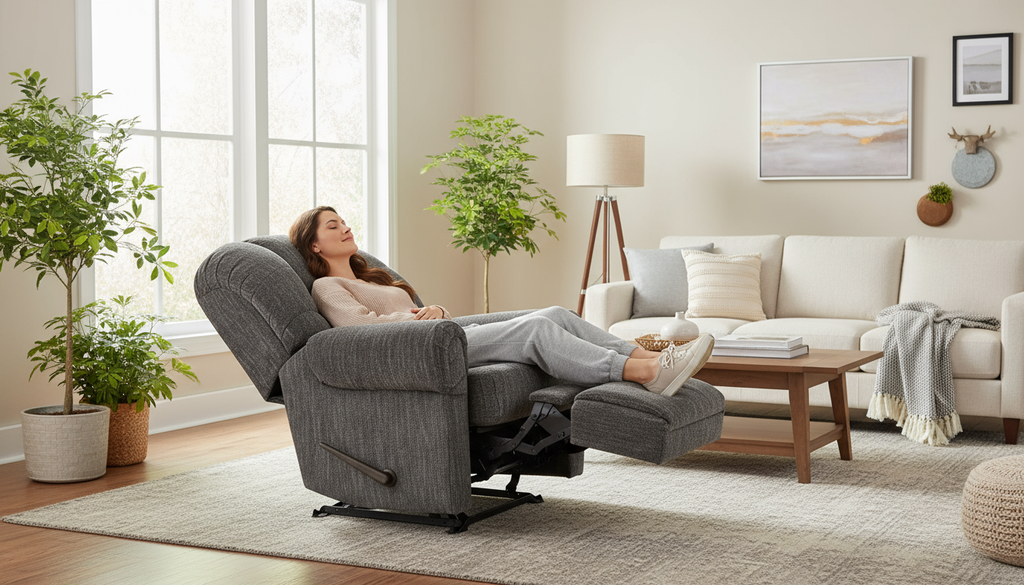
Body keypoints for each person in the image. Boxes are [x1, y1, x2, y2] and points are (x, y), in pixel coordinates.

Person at [289, 206, 715, 397]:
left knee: (554, 313)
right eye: (333, 225)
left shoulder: (372, 277)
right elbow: (359, 331)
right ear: (315, 244)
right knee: (535, 331)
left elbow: (418, 312)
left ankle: (649, 355)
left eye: (344, 221)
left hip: (439, 334)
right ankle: (644, 373)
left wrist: (436, 311)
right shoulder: (327, 286)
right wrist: (419, 320)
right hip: (416, 350)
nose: (345, 227)